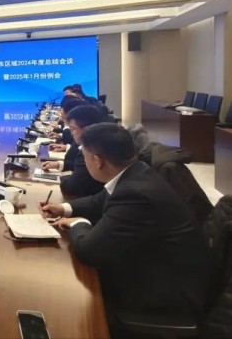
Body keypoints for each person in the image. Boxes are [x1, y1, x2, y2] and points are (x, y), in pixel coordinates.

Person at [41, 123, 211, 338]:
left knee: (63, 299)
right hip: (161, 268)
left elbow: (90, 251)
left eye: (85, 156)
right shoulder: (137, 172)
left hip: (165, 296)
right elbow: (98, 201)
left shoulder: (135, 194)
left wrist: (77, 223)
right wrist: (64, 208)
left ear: (97, 161)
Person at [42, 105, 107, 197]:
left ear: (87, 129)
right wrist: (61, 165)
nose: (71, 133)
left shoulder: (92, 150)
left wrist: (62, 178)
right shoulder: (97, 142)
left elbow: (72, 186)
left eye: (73, 129)